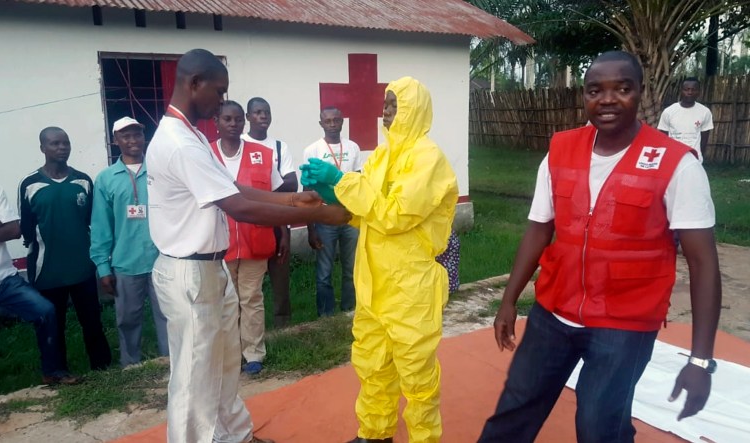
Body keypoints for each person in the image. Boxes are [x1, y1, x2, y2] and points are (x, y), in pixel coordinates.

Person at [477, 51, 721, 443]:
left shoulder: (677, 164)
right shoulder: (560, 150)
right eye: (596, 90)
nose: (607, 99)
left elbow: (703, 262)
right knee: (514, 410)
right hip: (553, 312)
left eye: (622, 88)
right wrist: (509, 300)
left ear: (641, 92)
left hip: (624, 324)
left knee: (598, 426)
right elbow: (539, 230)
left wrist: (700, 359)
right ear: (585, 96)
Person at [145, 48, 350, 443]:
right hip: (190, 272)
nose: (222, 101)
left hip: (209, 267)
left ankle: (234, 436)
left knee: (223, 365)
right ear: (194, 84)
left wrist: (293, 200)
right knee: (193, 377)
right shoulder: (180, 142)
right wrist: (321, 214)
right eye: (219, 92)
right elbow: (238, 207)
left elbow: (233, 188)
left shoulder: (190, 135)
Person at [301, 76, 459, 443]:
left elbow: (394, 214)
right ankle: (375, 433)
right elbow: (364, 211)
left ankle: (424, 438)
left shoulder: (427, 158)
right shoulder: (382, 156)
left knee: (417, 375)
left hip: (409, 288)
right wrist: (331, 191)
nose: (385, 112)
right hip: (374, 284)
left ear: (412, 109)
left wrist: (341, 180)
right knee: (373, 365)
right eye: (385, 105)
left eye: (393, 105)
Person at [0, 153, 80, 398]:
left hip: (3, 276)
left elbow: (15, 228)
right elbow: (4, 224)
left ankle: (52, 371)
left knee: (44, 311)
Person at [19, 127, 112, 373]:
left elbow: (92, 221)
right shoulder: (30, 185)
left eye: (66, 143)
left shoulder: (82, 181)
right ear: (43, 148)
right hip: (47, 271)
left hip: (82, 268)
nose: (62, 148)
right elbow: (27, 230)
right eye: (55, 143)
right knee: (53, 325)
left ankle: (103, 369)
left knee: (92, 322)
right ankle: (58, 373)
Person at [210, 101, 285, 376]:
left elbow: (276, 197)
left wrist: (283, 231)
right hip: (218, 244)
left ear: (244, 122)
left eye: (238, 119)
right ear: (216, 121)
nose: (233, 124)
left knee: (251, 298)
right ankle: (228, 354)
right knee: (223, 302)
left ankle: (253, 353)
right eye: (227, 119)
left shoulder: (262, 154)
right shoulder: (204, 155)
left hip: (256, 241)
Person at [90, 117, 168, 368]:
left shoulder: (159, 170)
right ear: (116, 141)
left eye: (137, 134)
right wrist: (103, 267)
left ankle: (170, 361)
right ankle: (131, 366)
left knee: (168, 315)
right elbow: (101, 226)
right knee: (127, 320)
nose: (133, 140)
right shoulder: (106, 179)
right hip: (125, 262)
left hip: (162, 258)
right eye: (126, 136)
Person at [302, 106, 362, 317]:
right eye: (327, 121)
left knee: (352, 268)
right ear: (321, 124)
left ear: (342, 121)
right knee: (324, 272)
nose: (332, 124)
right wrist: (310, 229)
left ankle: (350, 311)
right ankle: (326, 317)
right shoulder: (312, 150)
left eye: (336, 120)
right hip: (325, 217)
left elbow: (358, 183)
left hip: (350, 216)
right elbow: (307, 190)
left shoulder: (353, 147)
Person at [242, 97, 296, 328]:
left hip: (277, 220)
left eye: (267, 112)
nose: (263, 116)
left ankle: (282, 327)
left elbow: (292, 183)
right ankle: (248, 327)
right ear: (248, 117)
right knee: (246, 282)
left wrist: (255, 192)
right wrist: (271, 192)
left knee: (280, 276)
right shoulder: (239, 144)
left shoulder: (279, 147)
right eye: (257, 112)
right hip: (245, 223)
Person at [658, 77, 714, 163]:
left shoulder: (705, 112)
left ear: (699, 92)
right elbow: (663, 137)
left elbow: (704, 139)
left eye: (693, 90)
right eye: (686, 89)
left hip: (694, 159)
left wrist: (698, 155)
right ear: (681, 91)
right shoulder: (669, 112)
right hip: (672, 158)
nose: (690, 92)